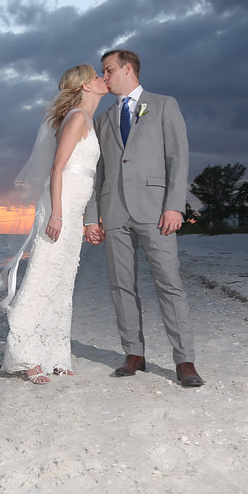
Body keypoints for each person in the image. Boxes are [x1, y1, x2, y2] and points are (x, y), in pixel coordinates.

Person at [84, 49, 203, 387]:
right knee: (121, 285)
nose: (104, 77)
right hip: (114, 212)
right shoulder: (102, 120)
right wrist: (91, 217)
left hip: (156, 210)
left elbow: (178, 157)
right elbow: (97, 173)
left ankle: (185, 361)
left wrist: (175, 205)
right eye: (102, 72)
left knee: (169, 282)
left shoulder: (164, 105)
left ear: (128, 68)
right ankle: (134, 353)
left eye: (108, 70)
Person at [0, 64, 108, 384]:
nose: (102, 78)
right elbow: (57, 168)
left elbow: (87, 174)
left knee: (62, 282)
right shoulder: (77, 117)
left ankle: (55, 355)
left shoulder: (88, 119)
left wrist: (84, 218)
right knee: (42, 278)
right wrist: (57, 214)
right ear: (85, 86)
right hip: (59, 207)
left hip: (73, 210)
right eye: (96, 76)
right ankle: (25, 357)